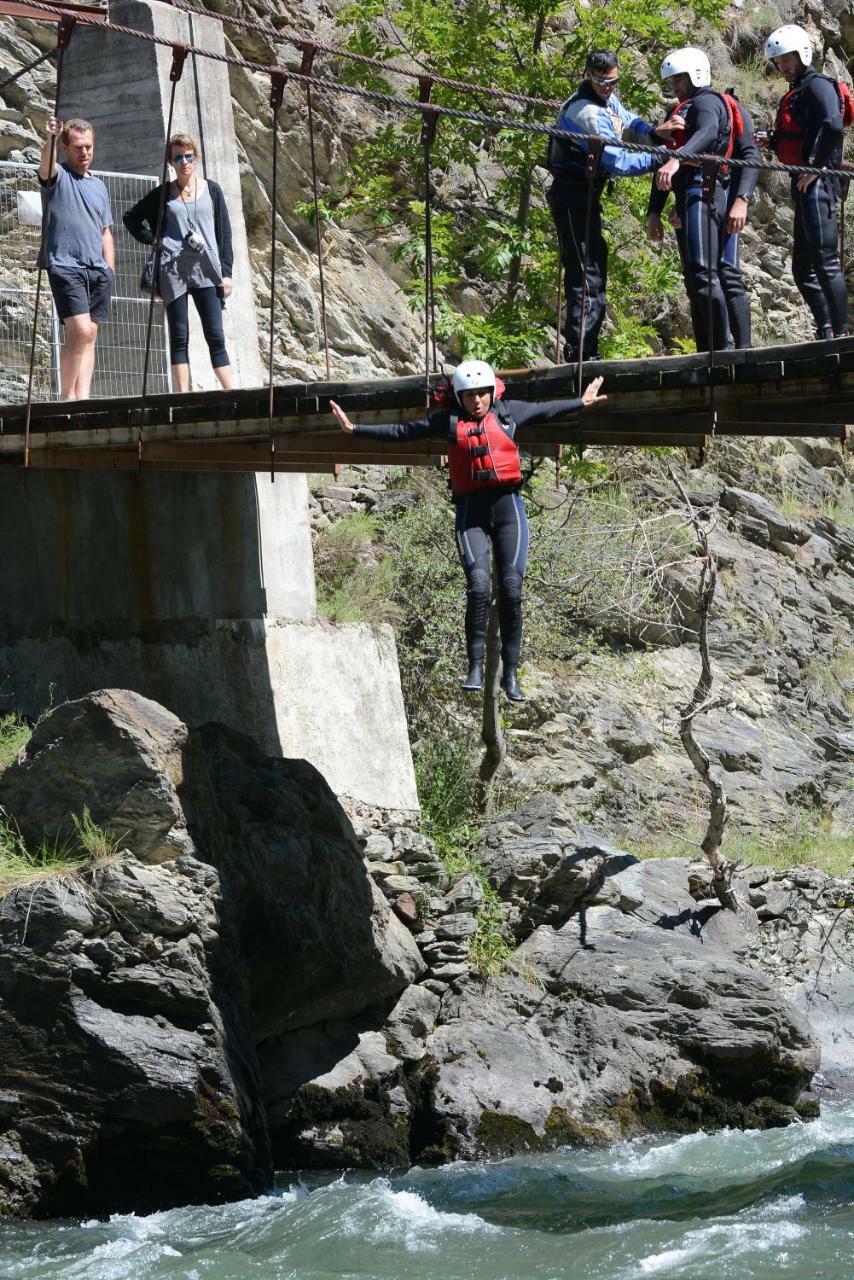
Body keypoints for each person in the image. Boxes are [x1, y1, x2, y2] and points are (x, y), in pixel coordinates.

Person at [329, 361, 607, 701]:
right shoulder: (448, 423)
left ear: (491, 393)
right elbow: (403, 432)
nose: (476, 401)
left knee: (511, 587)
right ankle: (474, 666)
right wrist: (354, 429)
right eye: (469, 395)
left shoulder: (508, 415)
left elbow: (546, 411)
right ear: (460, 397)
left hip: (508, 509)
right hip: (470, 511)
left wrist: (581, 402)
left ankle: (513, 673)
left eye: (481, 394)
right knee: (478, 585)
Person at [547, 50, 675, 365]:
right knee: (585, 273)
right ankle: (580, 354)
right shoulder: (586, 113)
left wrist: (653, 132)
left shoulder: (606, 100)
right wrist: (660, 156)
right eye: (602, 82)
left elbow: (627, 119)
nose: (609, 88)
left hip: (586, 195)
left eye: (613, 82)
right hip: (572, 194)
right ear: (588, 75)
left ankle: (586, 349)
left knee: (594, 267)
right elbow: (617, 161)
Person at [647, 82, 760, 349]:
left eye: (680, 80)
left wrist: (741, 201)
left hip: (723, 195)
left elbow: (748, 156)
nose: (676, 87)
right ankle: (709, 350)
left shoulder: (725, 109)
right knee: (695, 277)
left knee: (726, 272)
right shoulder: (680, 112)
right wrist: (656, 210)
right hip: (693, 196)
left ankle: (737, 350)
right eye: (673, 80)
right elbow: (667, 162)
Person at [123, 133, 234, 391]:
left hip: (207, 269)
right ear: (170, 163)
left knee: (216, 335)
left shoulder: (212, 190)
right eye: (178, 158)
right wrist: (154, 239)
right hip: (173, 271)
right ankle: (181, 396)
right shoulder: (164, 194)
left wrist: (226, 273)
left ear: (196, 158)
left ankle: (233, 392)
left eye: (188, 156)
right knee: (179, 335)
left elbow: (224, 234)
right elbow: (131, 218)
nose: (184, 162)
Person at [763, 24, 848, 339]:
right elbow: (805, 133)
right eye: (778, 62)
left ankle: (840, 334)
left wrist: (816, 168)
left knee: (825, 261)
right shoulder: (798, 90)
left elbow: (834, 126)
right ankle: (825, 330)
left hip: (816, 183)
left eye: (787, 60)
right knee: (802, 270)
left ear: (802, 55)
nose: (782, 67)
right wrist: (772, 141)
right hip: (803, 182)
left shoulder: (817, 85)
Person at [38, 116, 115, 400]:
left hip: (97, 269)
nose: (84, 153)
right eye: (78, 147)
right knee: (80, 332)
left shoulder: (99, 186)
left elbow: (105, 230)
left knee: (90, 336)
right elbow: (45, 168)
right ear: (66, 148)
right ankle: (66, 397)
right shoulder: (57, 176)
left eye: (89, 147)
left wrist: (110, 268)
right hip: (65, 264)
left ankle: (83, 399)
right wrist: (49, 140)